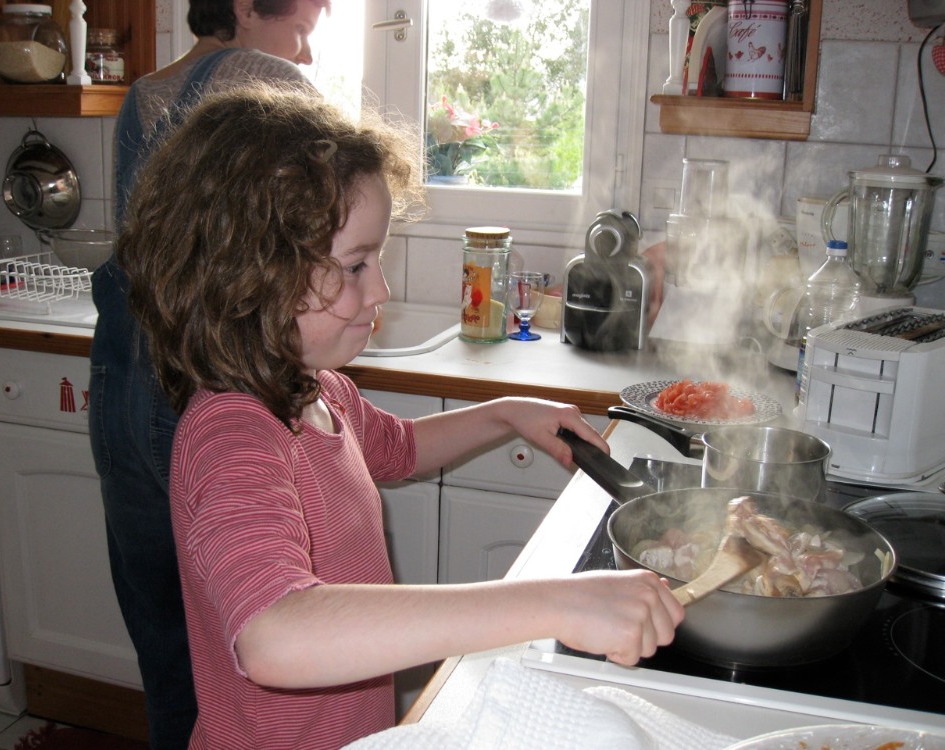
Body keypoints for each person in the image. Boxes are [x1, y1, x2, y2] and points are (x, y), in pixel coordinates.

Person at [117, 84, 685, 750]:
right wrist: (556, 601)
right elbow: (273, 634)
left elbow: (403, 447)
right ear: (250, 274)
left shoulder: (318, 392)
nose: (380, 290)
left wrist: (507, 415)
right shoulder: (232, 434)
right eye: (356, 265)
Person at [88, 3, 329, 748]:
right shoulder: (270, 79)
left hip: (121, 390)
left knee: (166, 651)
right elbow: (317, 248)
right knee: (241, 653)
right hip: (206, 389)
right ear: (248, 7)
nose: (307, 56)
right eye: (302, 29)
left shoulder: (142, 95)